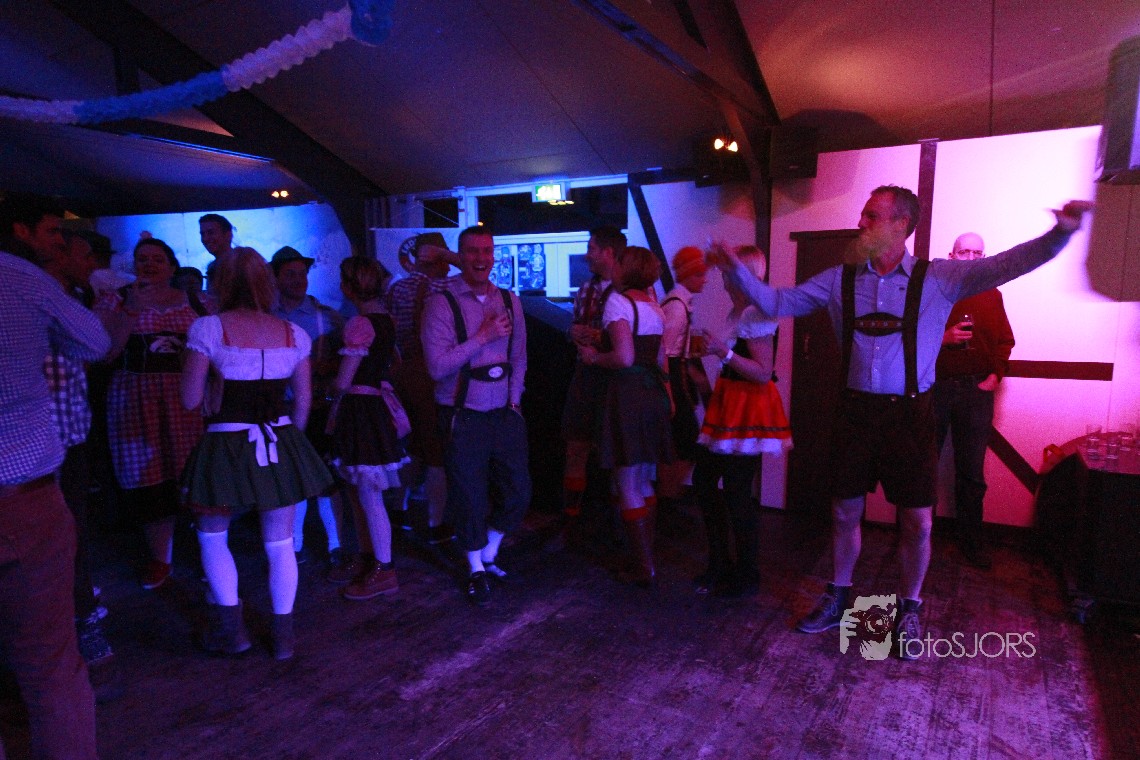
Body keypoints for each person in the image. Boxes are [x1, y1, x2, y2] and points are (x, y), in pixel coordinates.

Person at [708, 186, 1092, 659]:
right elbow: (775, 302)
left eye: (872, 216)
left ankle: (909, 608)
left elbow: (1008, 264)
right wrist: (735, 269)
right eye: (863, 215)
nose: (861, 223)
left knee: (918, 522)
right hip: (854, 412)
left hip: (910, 415)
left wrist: (1061, 233)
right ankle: (839, 596)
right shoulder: (838, 280)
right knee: (844, 512)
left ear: (901, 225)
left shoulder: (941, 278)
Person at [181, 248, 333, 660]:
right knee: (280, 543)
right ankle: (283, 639)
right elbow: (302, 402)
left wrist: (215, 385)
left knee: (213, 536)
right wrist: (288, 443)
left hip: (225, 442)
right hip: (279, 439)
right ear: (267, 283)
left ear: (220, 283)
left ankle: (233, 633)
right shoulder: (293, 333)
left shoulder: (208, 328)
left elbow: (189, 399)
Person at [0, 207, 109, 758]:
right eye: (52, 232)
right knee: (50, 668)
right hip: (23, 495)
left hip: (30, 492)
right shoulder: (19, 277)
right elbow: (94, 343)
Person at [422, 226, 530, 605]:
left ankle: (489, 552)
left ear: (493, 255)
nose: (480, 258)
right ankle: (475, 568)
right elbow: (437, 367)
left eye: (487, 251)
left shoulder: (509, 300)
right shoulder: (441, 303)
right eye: (472, 251)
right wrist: (482, 337)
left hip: (503, 413)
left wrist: (514, 401)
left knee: (519, 490)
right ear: (460, 256)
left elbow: (519, 356)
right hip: (462, 414)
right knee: (469, 495)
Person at [95, 237, 209, 589]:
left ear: (172, 266)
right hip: (135, 395)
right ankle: (161, 557)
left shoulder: (196, 301)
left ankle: (210, 553)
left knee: (194, 474)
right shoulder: (115, 300)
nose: (149, 264)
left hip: (185, 397)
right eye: (142, 259)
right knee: (148, 477)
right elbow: (105, 353)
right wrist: (131, 309)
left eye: (158, 259)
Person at [692, 246, 791, 598]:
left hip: (747, 408)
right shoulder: (739, 310)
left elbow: (763, 373)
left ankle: (744, 572)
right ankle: (723, 563)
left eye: (727, 270)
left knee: (734, 491)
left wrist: (724, 352)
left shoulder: (755, 312)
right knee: (709, 482)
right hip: (731, 402)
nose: (721, 275)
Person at [578, 245, 675, 586]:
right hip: (652, 394)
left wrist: (593, 357)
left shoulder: (619, 302)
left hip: (628, 395)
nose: (613, 267)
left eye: (617, 262)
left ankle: (643, 566)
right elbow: (661, 359)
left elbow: (623, 357)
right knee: (645, 478)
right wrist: (669, 397)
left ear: (625, 268)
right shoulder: (654, 305)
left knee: (627, 481)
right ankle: (646, 556)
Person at [327, 256, 410, 599]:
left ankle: (383, 568)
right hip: (373, 407)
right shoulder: (386, 320)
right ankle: (370, 559)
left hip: (361, 411)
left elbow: (343, 381)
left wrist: (327, 384)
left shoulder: (360, 324)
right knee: (362, 491)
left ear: (349, 287)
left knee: (367, 494)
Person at [933, 233, 1015, 569]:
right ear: (952, 255)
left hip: (975, 392)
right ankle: (915, 539)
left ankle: (971, 543)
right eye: (964, 251)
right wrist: (944, 338)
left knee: (971, 473)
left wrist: (995, 375)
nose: (971, 257)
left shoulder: (992, 295)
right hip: (935, 390)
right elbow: (912, 337)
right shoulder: (935, 291)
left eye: (977, 252)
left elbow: (1005, 341)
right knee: (923, 467)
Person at [270, 246, 349, 568]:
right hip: (277, 409)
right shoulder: (266, 317)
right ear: (275, 278)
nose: (299, 280)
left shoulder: (326, 317)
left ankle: (335, 545)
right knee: (289, 479)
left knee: (327, 478)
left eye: (302, 273)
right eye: (290, 274)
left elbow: (344, 361)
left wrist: (323, 368)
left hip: (317, 407)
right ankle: (295, 544)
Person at [385, 233, 458, 544]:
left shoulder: (397, 288)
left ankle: (397, 510)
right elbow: (478, 274)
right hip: (434, 376)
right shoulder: (446, 287)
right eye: (445, 259)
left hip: (404, 374)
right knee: (437, 450)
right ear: (438, 258)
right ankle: (436, 523)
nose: (449, 266)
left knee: (413, 446)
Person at [558, 226, 623, 542]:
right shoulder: (586, 288)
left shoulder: (631, 290)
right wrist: (573, 333)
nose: (587, 255)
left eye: (591, 248)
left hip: (614, 379)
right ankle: (572, 519)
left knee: (616, 454)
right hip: (585, 377)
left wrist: (600, 337)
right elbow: (574, 327)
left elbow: (640, 339)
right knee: (576, 447)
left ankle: (617, 525)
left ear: (608, 252)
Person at [659, 245, 710, 504]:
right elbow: (664, 351)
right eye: (700, 274)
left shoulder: (680, 302)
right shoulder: (678, 307)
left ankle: (668, 500)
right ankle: (668, 500)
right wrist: (671, 392)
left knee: (682, 444)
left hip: (678, 379)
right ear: (688, 275)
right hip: (674, 381)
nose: (705, 279)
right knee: (685, 443)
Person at [199, 213, 235, 292]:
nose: (205, 239)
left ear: (228, 235)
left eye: (211, 232)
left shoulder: (243, 262)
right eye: (202, 234)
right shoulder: (212, 267)